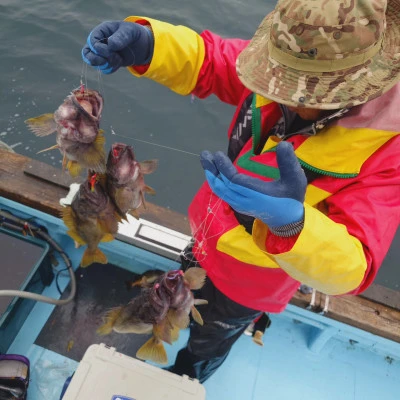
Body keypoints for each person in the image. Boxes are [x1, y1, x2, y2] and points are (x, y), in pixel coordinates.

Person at [82, 0, 400, 383]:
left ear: (355, 89)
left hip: (252, 284)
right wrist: (152, 45)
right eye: (277, 77)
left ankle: (191, 373)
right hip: (205, 241)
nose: (280, 94)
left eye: (301, 91)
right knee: (178, 293)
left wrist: (291, 226)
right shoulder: (290, 57)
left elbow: (355, 265)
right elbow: (214, 62)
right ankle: (168, 320)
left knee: (211, 336)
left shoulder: (388, 150)